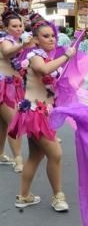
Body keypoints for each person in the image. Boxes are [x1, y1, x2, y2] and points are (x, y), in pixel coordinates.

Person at [8, 14, 75, 212]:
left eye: (53, 35)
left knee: (35, 157)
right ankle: (58, 197)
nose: (52, 39)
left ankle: (24, 196)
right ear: (36, 39)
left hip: (41, 112)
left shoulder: (46, 56)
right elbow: (44, 70)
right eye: (46, 36)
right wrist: (66, 56)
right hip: (35, 114)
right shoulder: (34, 55)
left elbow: (48, 80)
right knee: (56, 153)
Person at [0, 10, 29, 171]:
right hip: (3, 86)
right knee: (13, 122)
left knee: (3, 124)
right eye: (14, 26)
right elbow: (6, 52)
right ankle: (18, 159)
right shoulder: (5, 40)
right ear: (6, 28)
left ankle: (0, 154)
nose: (19, 28)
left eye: (20, 25)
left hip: (14, 85)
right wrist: (23, 45)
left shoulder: (17, 41)